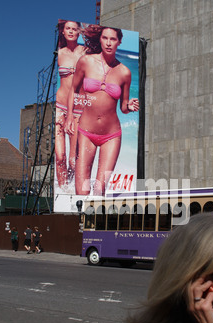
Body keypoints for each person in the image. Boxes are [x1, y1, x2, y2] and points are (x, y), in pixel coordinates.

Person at [65, 25, 140, 196]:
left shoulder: (125, 72)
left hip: (111, 136)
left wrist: (129, 106)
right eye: (105, 38)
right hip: (86, 132)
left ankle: (98, 222)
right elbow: (73, 90)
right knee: (82, 191)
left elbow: (123, 106)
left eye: (113, 39)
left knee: (100, 190)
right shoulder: (86, 61)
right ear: (100, 39)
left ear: (119, 42)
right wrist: (70, 116)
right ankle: (80, 223)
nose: (108, 43)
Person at [56, 20, 85, 188]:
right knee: (60, 157)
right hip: (60, 107)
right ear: (63, 31)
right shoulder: (60, 53)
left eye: (74, 29)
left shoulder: (86, 52)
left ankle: (71, 191)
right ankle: (63, 190)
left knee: (73, 161)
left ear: (79, 32)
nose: (71, 31)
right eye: (68, 28)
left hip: (77, 109)